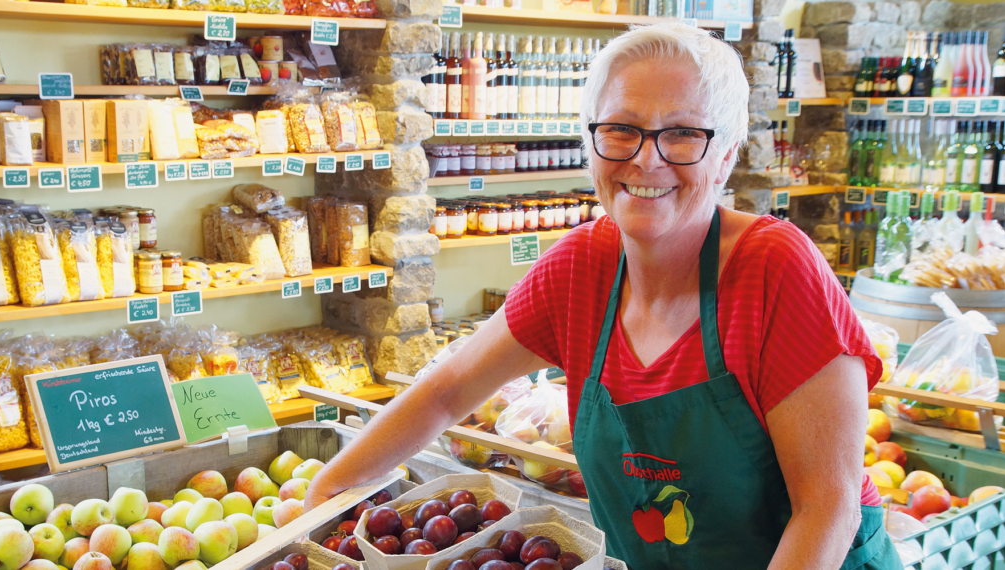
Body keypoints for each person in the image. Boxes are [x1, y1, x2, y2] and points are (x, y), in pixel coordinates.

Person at [306, 24, 901, 569]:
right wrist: (324, 495)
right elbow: (446, 392)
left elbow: (826, 508)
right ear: (590, 144)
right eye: (621, 128)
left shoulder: (776, 269)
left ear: (725, 157)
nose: (646, 158)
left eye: (683, 133)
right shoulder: (579, 270)